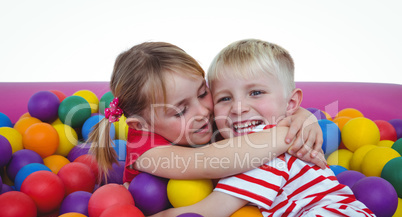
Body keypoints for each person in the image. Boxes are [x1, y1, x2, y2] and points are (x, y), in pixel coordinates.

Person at [146, 39, 396, 217]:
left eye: (255, 93)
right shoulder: (263, 138)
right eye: (224, 98)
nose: (239, 108)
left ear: (290, 103)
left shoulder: (260, 149)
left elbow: (206, 214)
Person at [88, 41, 325, 186]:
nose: (203, 111)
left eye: (203, 93)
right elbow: (209, 162)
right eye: (180, 110)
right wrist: (285, 134)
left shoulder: (208, 118)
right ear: (141, 125)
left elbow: (270, 107)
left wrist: (302, 116)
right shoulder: (144, 150)